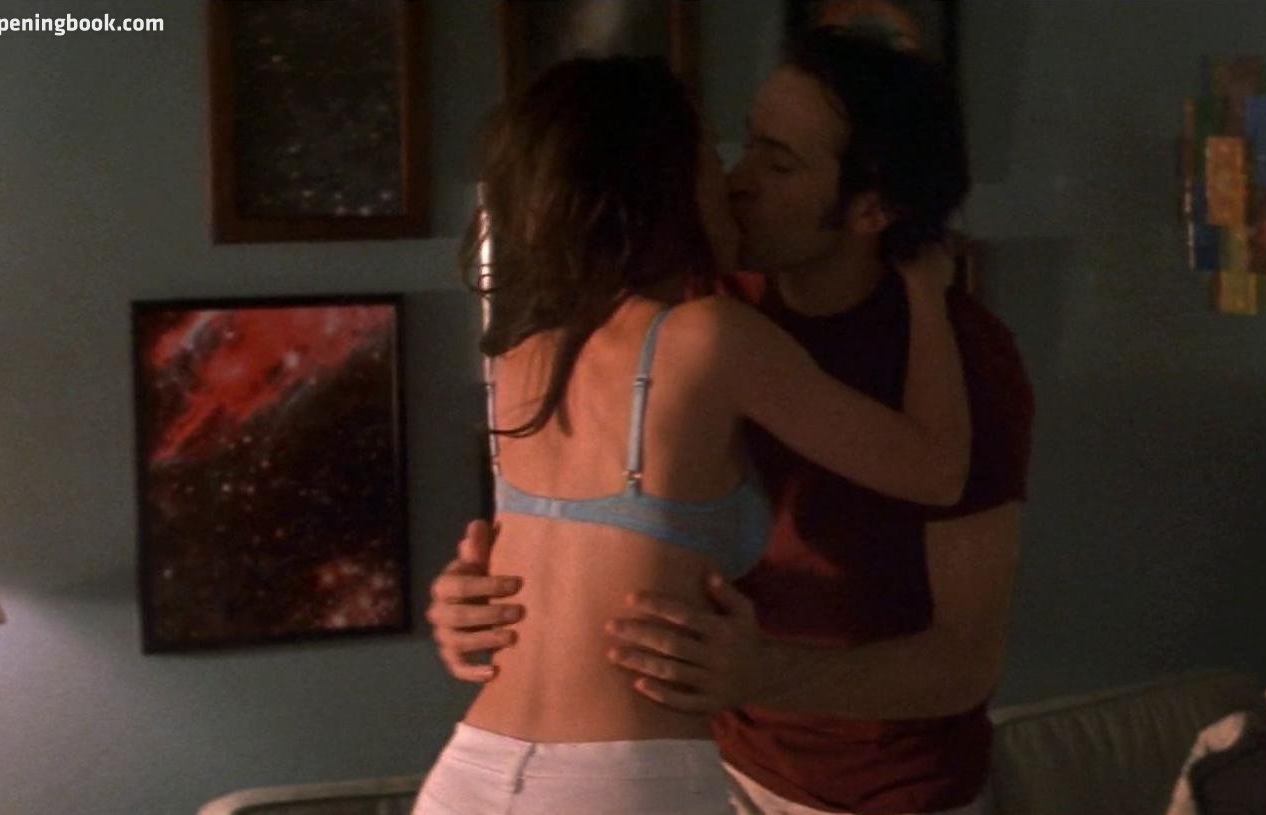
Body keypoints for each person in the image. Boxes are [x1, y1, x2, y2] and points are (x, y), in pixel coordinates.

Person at [426, 29, 1034, 815]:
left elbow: (964, 661)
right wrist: (478, 600)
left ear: (871, 207)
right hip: (702, 763)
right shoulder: (702, 309)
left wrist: (761, 672)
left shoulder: (962, 360)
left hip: (873, 794)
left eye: (778, 163)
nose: (738, 181)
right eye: (740, 148)